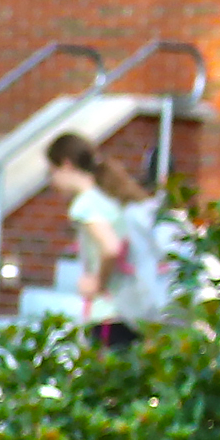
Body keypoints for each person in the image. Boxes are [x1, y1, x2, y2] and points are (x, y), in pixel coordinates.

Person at [47, 130, 168, 351]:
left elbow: (110, 247)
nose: (53, 181)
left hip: (107, 312)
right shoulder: (110, 197)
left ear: (66, 165)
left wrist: (96, 282)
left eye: (52, 172)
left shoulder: (84, 205)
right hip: (133, 309)